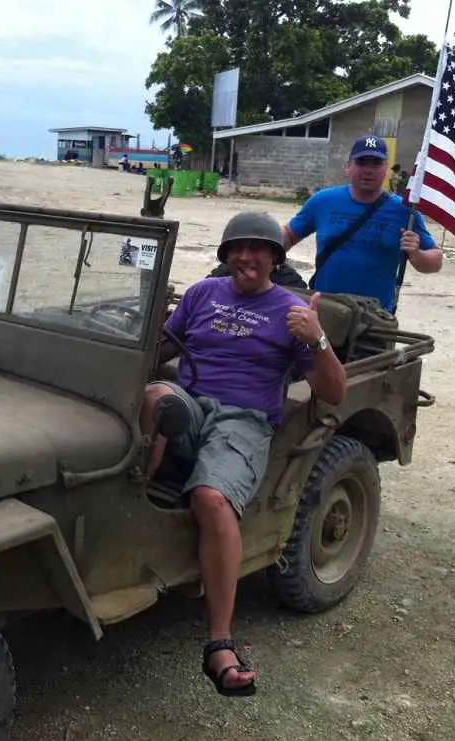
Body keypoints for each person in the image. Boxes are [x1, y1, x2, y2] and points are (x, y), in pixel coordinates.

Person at [141, 211, 347, 697]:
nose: (246, 257)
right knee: (153, 396)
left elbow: (334, 392)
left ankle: (219, 641)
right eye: (237, 249)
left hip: (243, 418)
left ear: (275, 258)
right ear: (226, 256)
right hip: (190, 403)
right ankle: (134, 502)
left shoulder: (291, 311)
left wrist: (316, 337)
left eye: (258, 249)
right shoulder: (201, 295)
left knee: (211, 497)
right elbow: (160, 348)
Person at [282, 135, 444, 314]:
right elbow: (288, 235)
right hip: (324, 310)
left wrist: (416, 254)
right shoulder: (323, 201)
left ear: (386, 169)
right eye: (361, 162)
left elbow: (435, 261)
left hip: (375, 318)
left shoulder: (404, 211)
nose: (368, 170)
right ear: (348, 167)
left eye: (376, 163)